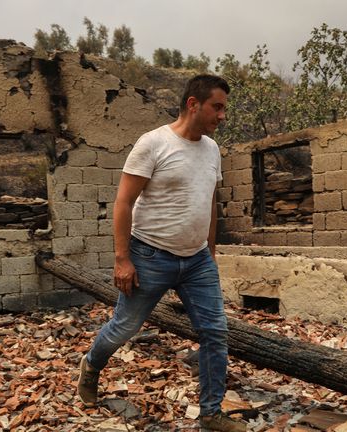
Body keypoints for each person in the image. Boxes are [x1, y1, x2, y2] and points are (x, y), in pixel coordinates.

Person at [77, 74, 247, 432]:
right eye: (217, 107)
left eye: (224, 108)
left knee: (215, 333)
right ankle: (91, 365)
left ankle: (211, 414)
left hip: (197, 259)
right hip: (150, 255)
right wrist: (123, 258)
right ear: (193, 104)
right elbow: (123, 203)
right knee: (124, 327)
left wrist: (211, 253)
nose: (222, 115)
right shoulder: (153, 143)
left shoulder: (212, 149)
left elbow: (209, 203)